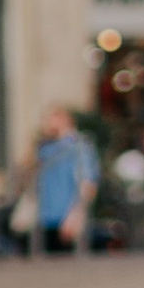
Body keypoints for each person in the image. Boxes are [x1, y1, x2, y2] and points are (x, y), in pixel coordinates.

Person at [30, 107, 97, 254]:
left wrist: (76, 215)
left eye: (48, 120)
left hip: (68, 219)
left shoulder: (79, 147)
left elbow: (88, 184)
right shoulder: (45, 148)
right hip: (45, 218)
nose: (44, 125)